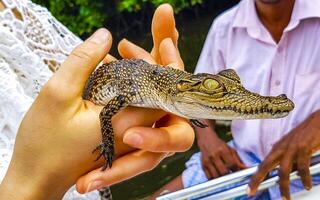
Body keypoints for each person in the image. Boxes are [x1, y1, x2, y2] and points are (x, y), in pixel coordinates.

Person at [0, 4, 195, 200]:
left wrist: (161, 113)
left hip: (119, 101)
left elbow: (70, 85)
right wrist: (35, 182)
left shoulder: (18, 10)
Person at [151, 0, 320, 200]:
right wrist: (208, 139)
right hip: (241, 157)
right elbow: (196, 98)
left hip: (312, 163)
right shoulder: (223, 27)